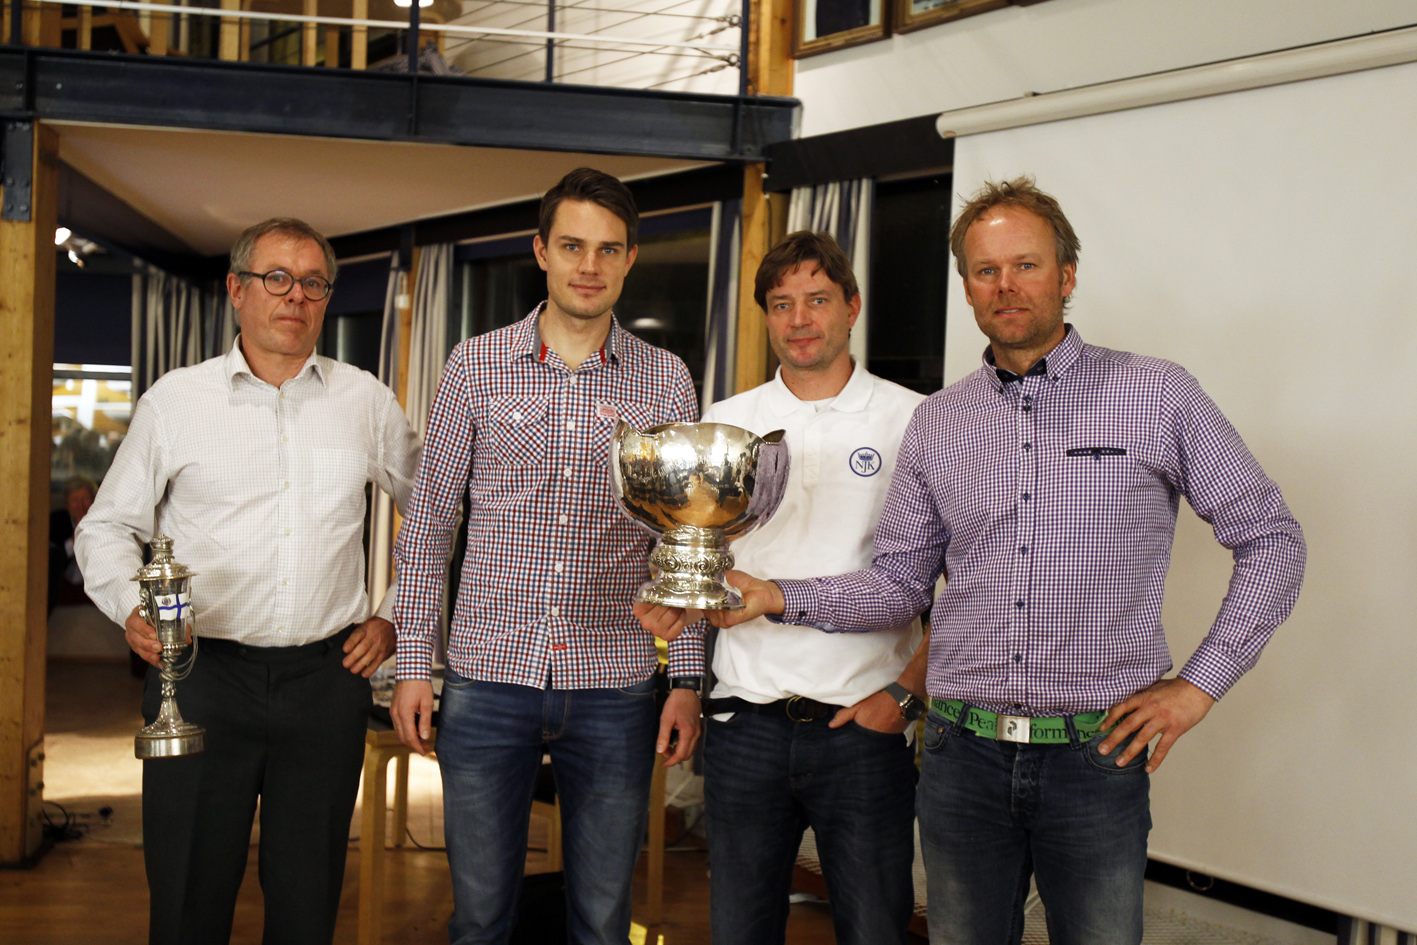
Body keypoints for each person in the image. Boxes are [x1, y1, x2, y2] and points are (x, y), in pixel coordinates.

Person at [641, 178, 1307, 945]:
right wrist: (770, 596)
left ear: (1066, 274)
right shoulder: (939, 421)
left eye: (1025, 265)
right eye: (985, 270)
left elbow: (1271, 538)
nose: (1005, 285)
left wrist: (1197, 686)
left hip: (1092, 757)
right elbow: (898, 584)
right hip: (960, 758)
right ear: (966, 288)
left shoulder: (1155, 394)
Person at [76, 218, 421, 945]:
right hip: (198, 679)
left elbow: (435, 516)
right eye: (277, 278)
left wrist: (395, 615)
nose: (295, 296)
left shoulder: (365, 401)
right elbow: (104, 528)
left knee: (307, 903)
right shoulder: (176, 401)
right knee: (188, 899)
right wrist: (134, 608)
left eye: (313, 283)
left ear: (326, 298)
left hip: (326, 681)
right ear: (237, 289)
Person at [390, 167, 704, 945]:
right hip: (487, 676)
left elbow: (685, 541)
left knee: (601, 922)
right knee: (479, 920)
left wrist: (686, 679)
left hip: (615, 683)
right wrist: (411, 665)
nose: (588, 266)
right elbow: (428, 522)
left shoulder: (665, 379)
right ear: (540, 251)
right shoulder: (474, 364)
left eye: (607, 249)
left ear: (629, 259)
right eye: (571, 246)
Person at [642, 231, 927, 944]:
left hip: (863, 726)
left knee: (875, 932)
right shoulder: (727, 419)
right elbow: (700, 554)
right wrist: (677, 603)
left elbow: (956, 581)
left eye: (817, 300)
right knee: (739, 931)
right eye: (781, 303)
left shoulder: (915, 419)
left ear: (852, 307)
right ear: (767, 316)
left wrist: (905, 698)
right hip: (745, 721)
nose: (799, 319)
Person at [49, 476, 96, 613]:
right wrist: (74, 540)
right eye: (75, 500)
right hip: (61, 592)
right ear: (66, 504)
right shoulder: (55, 522)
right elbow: (53, 559)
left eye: (85, 499)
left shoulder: (103, 522)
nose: (81, 505)